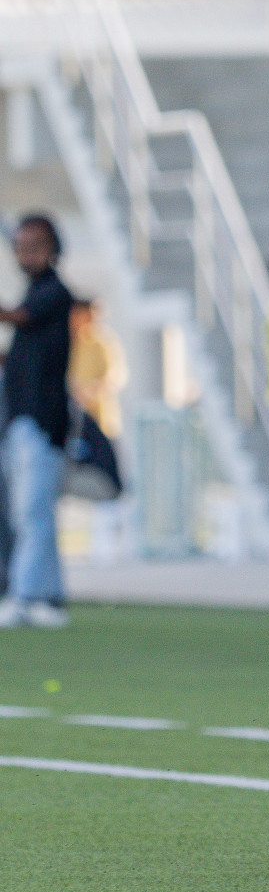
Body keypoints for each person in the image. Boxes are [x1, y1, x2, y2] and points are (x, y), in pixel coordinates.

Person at [0, 215, 75, 630]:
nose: (25, 254)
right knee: (33, 513)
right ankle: (50, 597)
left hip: (41, 422)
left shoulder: (53, 292)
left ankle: (26, 595)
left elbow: (18, 318)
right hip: (21, 420)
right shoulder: (34, 292)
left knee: (32, 513)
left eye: (34, 245)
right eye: (20, 246)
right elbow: (24, 357)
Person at [67, 299, 127, 440]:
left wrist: (90, 391)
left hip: (100, 418)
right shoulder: (67, 342)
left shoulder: (103, 343)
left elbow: (115, 376)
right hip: (72, 420)